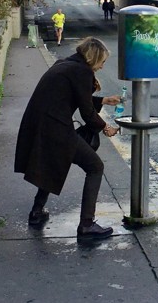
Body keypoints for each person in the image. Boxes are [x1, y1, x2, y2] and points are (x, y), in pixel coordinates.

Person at [14, 37, 122, 240]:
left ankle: (37, 211)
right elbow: (87, 112)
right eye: (102, 61)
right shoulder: (82, 71)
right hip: (56, 127)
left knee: (53, 163)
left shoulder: (65, 64)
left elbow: (76, 97)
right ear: (94, 58)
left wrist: (104, 100)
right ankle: (86, 225)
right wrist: (105, 127)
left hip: (41, 124)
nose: (102, 66)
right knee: (95, 167)